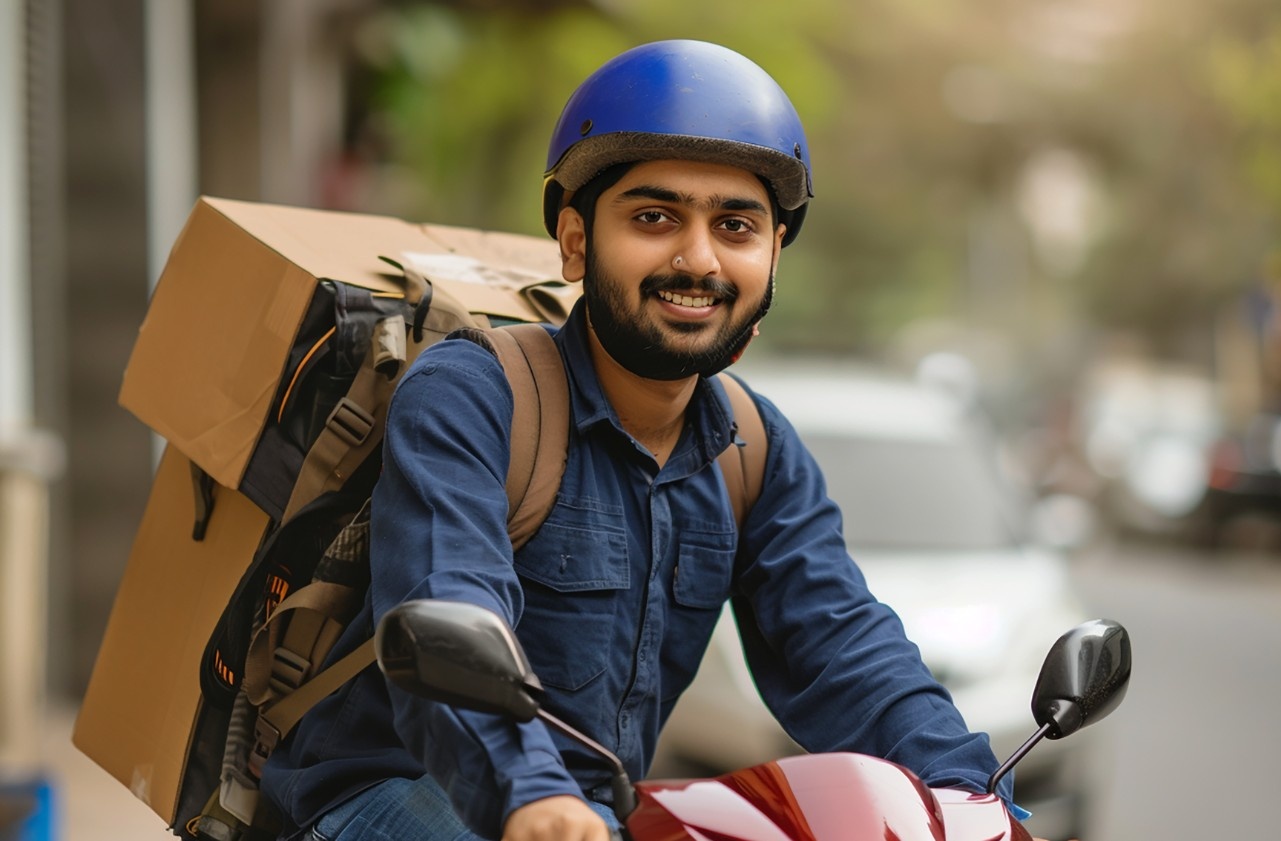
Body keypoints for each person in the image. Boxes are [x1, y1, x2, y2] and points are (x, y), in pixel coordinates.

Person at [262, 39, 1025, 841]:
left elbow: (846, 646)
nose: (698, 259)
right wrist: (531, 793)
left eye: (736, 225)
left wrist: (974, 797)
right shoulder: (475, 392)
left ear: (772, 255)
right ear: (576, 241)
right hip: (393, 794)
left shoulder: (753, 449)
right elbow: (449, 601)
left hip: (588, 816)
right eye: (654, 217)